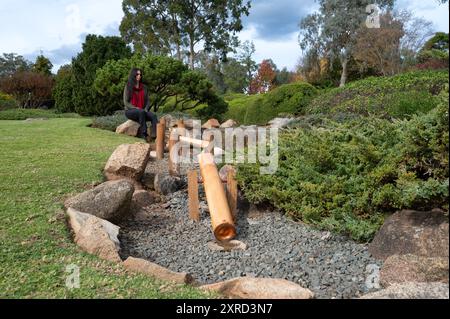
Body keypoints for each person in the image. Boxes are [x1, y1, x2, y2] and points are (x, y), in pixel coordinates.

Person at [123, 68, 158, 142]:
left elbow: (148, 101)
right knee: (141, 112)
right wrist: (135, 108)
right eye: (137, 74)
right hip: (130, 111)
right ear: (133, 75)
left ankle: (154, 135)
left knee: (153, 116)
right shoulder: (128, 86)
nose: (139, 76)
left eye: (140, 74)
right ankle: (144, 134)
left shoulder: (144, 87)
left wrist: (146, 109)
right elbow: (126, 102)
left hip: (142, 110)